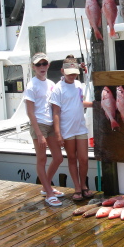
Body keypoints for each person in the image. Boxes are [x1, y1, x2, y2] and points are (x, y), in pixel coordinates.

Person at [50, 55, 94, 201]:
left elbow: (80, 103)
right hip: (67, 129)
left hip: (80, 127)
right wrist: (58, 134)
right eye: (69, 74)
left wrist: (95, 104)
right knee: (72, 158)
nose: (72, 76)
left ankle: (84, 185)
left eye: (75, 73)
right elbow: (55, 112)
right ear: (63, 71)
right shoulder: (57, 88)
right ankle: (77, 187)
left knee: (84, 159)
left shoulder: (78, 85)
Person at [24, 52, 64, 207]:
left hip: (50, 124)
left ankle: (45, 186)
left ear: (48, 65)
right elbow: (30, 112)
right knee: (42, 159)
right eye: (38, 64)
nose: (42, 67)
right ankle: (48, 192)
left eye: (44, 64)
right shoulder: (31, 85)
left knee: (58, 157)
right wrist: (39, 134)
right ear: (33, 67)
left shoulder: (50, 83)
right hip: (39, 124)